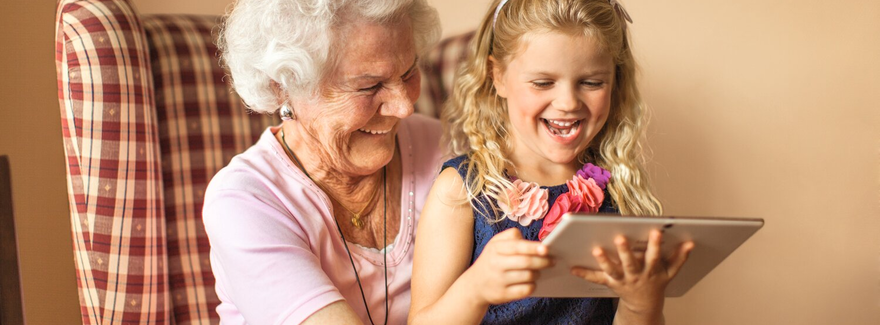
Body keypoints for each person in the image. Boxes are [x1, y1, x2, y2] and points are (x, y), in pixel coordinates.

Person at [408, 0, 694, 324]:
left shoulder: (617, 189)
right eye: (543, 82)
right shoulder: (461, 190)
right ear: (497, 75)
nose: (568, 102)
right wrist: (474, 289)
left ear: (615, 80)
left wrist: (642, 304)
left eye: (591, 82)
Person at [202, 0, 441, 324]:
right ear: (284, 86)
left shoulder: (445, 148)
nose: (403, 107)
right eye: (369, 86)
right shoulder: (244, 201)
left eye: (409, 71)